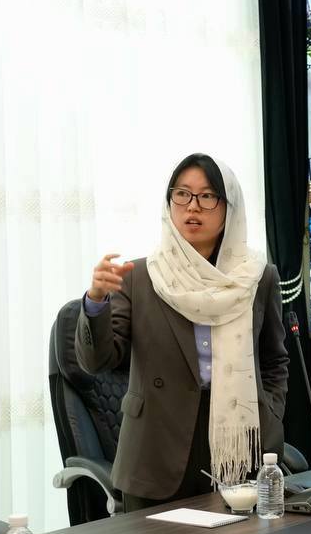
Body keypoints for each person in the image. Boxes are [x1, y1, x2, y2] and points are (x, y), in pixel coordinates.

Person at [74, 153, 289, 511]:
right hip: (156, 448)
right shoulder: (140, 278)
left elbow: (274, 361)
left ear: (230, 208)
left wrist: (270, 412)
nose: (193, 206)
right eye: (182, 194)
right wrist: (96, 301)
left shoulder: (257, 277)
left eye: (207, 196)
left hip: (239, 443)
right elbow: (97, 362)